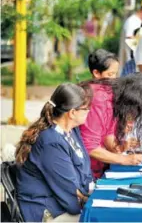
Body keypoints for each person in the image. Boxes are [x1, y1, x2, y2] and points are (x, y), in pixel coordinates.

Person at [16, 83, 93, 222]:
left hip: (62, 203)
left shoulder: (72, 130)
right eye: (86, 108)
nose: (89, 111)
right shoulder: (51, 141)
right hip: (47, 211)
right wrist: (85, 199)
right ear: (72, 113)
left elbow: (84, 171)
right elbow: (69, 194)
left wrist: (87, 192)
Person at [79, 73, 142, 179]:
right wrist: (124, 159)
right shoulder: (100, 99)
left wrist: (122, 144)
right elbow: (90, 147)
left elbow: (108, 138)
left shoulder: (117, 100)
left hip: (95, 168)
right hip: (81, 170)